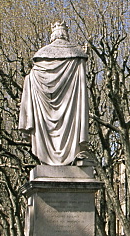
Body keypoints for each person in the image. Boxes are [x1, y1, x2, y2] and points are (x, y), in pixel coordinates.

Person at [18, 22, 90, 166]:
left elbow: (33, 76)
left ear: (53, 35)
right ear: (66, 34)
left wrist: (30, 79)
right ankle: (72, 154)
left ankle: (47, 155)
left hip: (43, 116)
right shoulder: (77, 56)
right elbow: (80, 92)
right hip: (71, 117)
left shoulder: (41, 57)